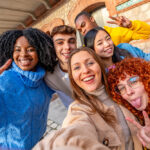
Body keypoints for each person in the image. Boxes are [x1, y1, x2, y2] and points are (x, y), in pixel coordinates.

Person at [33, 47, 143, 150]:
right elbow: (75, 132)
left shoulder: (121, 90)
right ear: (73, 78)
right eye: (77, 67)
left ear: (100, 65)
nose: (85, 70)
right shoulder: (79, 110)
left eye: (90, 63)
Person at [0, 28, 56, 150]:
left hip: (39, 143)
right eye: (17, 50)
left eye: (30, 49)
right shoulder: (4, 80)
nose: (23, 54)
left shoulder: (45, 79)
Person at [107, 58, 150, 149]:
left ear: (146, 78)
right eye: (121, 88)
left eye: (134, 82)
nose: (128, 91)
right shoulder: (140, 117)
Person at [84, 27, 150, 72]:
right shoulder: (98, 74)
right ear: (92, 49)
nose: (107, 44)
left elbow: (146, 58)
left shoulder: (125, 49)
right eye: (100, 43)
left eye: (108, 39)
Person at [45, 25, 77, 107]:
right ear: (53, 47)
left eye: (71, 41)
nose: (67, 47)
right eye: (60, 43)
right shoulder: (50, 76)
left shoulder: (89, 63)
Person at [75, 11, 150, 45]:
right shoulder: (86, 49)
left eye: (83, 25)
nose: (83, 30)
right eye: (80, 30)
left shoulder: (116, 33)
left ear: (92, 19)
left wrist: (131, 25)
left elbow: (147, 34)